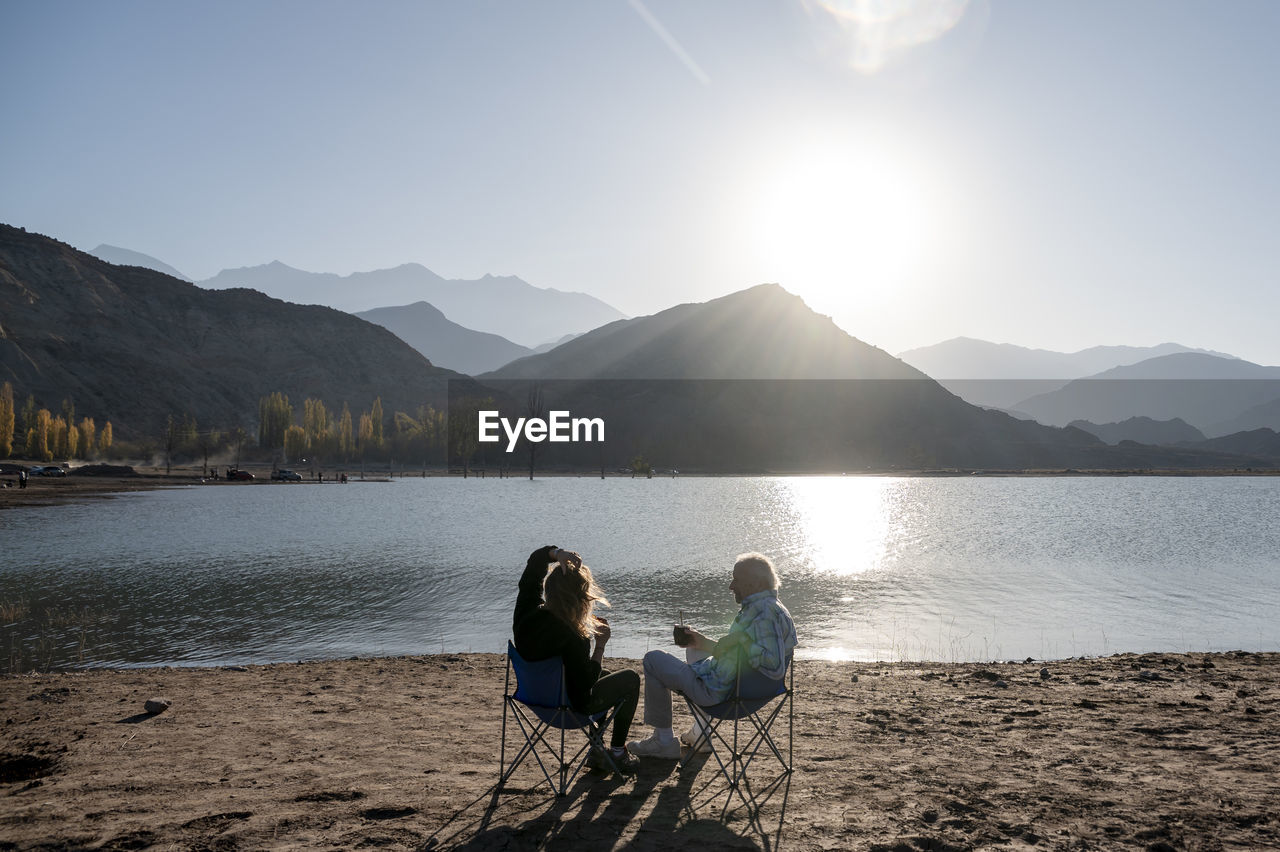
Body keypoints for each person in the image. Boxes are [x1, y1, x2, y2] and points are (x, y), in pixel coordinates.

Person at [628, 552, 797, 759]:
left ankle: (663, 741)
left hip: (722, 694)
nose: (731, 586)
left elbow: (773, 665)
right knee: (693, 649)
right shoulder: (774, 608)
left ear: (755, 583)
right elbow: (745, 656)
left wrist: (741, 640)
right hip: (745, 688)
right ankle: (701, 733)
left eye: (736, 579)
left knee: (653, 660)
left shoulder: (763, 614)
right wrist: (702, 641)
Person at [513, 545, 641, 774]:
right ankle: (618, 753)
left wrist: (557, 554)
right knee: (630, 678)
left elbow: (533, 566)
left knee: (606, 676)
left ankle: (597, 749)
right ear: (580, 598)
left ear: (548, 589)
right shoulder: (574, 636)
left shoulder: (526, 613)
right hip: (567, 710)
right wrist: (600, 646)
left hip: (533, 699)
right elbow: (585, 688)